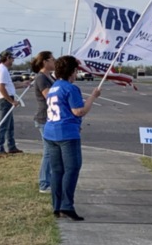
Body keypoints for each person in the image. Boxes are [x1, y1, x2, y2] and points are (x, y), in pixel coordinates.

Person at [43, 55, 101, 221]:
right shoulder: (70, 88)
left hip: (50, 131)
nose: (77, 74)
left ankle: (57, 205)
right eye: (76, 70)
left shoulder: (54, 86)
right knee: (72, 168)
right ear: (72, 71)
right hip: (66, 133)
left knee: (57, 171)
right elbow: (78, 111)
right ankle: (66, 205)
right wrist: (93, 97)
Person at [31, 51, 56, 193]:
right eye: (52, 60)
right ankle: (44, 183)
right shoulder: (41, 78)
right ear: (45, 62)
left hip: (51, 117)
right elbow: (49, 96)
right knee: (48, 151)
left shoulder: (49, 76)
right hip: (43, 118)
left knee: (52, 151)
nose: (54, 62)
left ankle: (50, 181)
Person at [0, 50, 23, 155]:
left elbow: (9, 86)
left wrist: (23, 84)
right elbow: (1, 88)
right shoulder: (2, 70)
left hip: (6, 99)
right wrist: (11, 101)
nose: (13, 60)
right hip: (4, 100)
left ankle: (12, 146)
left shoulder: (4, 70)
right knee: (4, 125)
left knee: (10, 126)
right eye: (12, 58)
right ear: (7, 58)